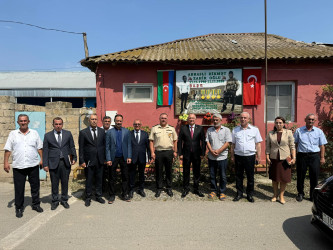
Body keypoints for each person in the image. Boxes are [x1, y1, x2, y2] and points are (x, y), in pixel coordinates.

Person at [4, 114, 44, 218]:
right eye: (21, 121)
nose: (23, 122)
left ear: (28, 121)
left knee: (35, 187)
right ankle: (19, 208)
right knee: (19, 188)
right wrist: (6, 162)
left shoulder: (34, 133)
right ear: (18, 122)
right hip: (18, 166)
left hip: (33, 165)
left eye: (25, 121)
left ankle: (36, 205)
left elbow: (40, 147)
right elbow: (8, 149)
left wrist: (42, 159)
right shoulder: (13, 134)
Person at [43, 117, 77, 210]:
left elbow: (72, 146)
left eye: (60, 124)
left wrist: (74, 157)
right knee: (54, 183)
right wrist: (45, 164)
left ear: (62, 124)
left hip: (65, 162)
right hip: (53, 162)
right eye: (56, 124)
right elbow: (45, 150)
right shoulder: (47, 136)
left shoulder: (68, 134)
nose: (58, 126)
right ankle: (55, 201)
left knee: (65, 182)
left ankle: (64, 200)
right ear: (53, 125)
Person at [294, 113, 327, 202]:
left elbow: (322, 145)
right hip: (302, 156)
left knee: (314, 176)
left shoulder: (319, 131)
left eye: (312, 120)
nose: (311, 121)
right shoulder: (298, 131)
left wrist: (322, 157)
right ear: (305, 120)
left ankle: (313, 195)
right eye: (309, 119)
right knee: (300, 176)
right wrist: (294, 156)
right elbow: (295, 144)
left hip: (314, 156)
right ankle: (300, 193)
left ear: (314, 121)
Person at [231, 112, 262, 202]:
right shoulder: (235, 130)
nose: (243, 119)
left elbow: (258, 144)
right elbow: (232, 145)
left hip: (250, 156)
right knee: (238, 176)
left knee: (250, 176)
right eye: (241, 118)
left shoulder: (254, 130)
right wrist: (232, 156)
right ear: (239, 119)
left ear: (249, 119)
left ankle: (249, 194)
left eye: (245, 118)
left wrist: (258, 156)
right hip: (238, 156)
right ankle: (239, 193)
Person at [266, 116, 296, 204]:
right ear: (274, 124)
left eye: (280, 123)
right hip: (274, 158)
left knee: (284, 178)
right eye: (277, 122)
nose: (278, 124)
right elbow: (268, 146)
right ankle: (275, 195)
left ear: (283, 124)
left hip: (285, 159)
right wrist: (267, 157)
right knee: (275, 178)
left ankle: (281, 195)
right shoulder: (270, 133)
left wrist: (294, 157)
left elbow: (292, 146)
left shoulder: (289, 132)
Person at [79, 114, 106, 207]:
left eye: (95, 119)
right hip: (89, 160)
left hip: (100, 160)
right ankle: (88, 198)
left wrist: (105, 159)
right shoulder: (83, 132)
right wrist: (82, 161)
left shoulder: (102, 131)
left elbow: (105, 146)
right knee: (89, 180)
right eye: (92, 119)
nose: (94, 121)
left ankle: (98, 196)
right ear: (89, 121)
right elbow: (81, 148)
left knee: (99, 179)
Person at [149, 113, 178, 197]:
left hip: (169, 152)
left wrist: (175, 152)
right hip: (158, 152)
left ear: (167, 119)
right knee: (159, 171)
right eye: (162, 118)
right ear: (159, 119)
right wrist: (152, 152)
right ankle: (159, 188)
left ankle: (169, 188)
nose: (163, 119)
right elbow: (151, 141)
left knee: (169, 171)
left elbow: (175, 140)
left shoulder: (171, 129)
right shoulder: (155, 128)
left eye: (165, 118)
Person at [178, 113, 206, 198]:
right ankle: (186, 189)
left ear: (195, 119)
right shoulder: (183, 128)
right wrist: (180, 153)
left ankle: (196, 189)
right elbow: (179, 142)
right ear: (187, 119)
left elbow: (203, 142)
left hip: (197, 155)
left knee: (196, 172)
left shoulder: (200, 128)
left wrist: (203, 153)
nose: (191, 120)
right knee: (186, 172)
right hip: (186, 154)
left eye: (193, 118)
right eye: (190, 118)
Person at [106, 114, 132, 203]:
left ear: (122, 121)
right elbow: (107, 147)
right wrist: (108, 158)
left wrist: (129, 156)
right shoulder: (109, 132)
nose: (119, 122)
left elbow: (129, 145)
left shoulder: (126, 131)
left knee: (125, 176)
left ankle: (124, 194)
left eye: (120, 121)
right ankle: (111, 195)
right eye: (117, 121)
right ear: (115, 121)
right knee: (112, 177)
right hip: (113, 158)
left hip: (124, 157)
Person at [206, 113, 232, 200]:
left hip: (222, 157)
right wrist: (211, 150)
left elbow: (228, 142)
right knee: (212, 175)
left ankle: (222, 192)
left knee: (223, 175)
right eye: (214, 120)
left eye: (217, 120)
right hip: (212, 156)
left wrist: (219, 151)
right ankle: (213, 190)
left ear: (221, 120)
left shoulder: (226, 130)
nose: (215, 121)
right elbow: (207, 142)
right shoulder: (209, 130)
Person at [129, 119, 151, 198]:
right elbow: (128, 146)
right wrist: (128, 156)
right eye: (135, 124)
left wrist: (149, 157)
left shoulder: (145, 134)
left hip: (142, 158)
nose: (137, 125)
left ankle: (141, 189)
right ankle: (131, 189)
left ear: (141, 125)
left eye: (138, 124)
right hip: (132, 158)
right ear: (133, 125)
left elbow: (148, 147)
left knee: (141, 174)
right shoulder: (129, 133)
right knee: (132, 174)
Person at [100, 116, 112, 192]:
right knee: (102, 174)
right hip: (101, 156)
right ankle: (103, 189)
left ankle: (110, 189)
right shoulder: (99, 130)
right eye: (105, 121)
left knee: (111, 174)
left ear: (110, 122)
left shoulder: (113, 130)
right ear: (103, 122)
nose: (107, 122)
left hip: (111, 156)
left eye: (108, 121)